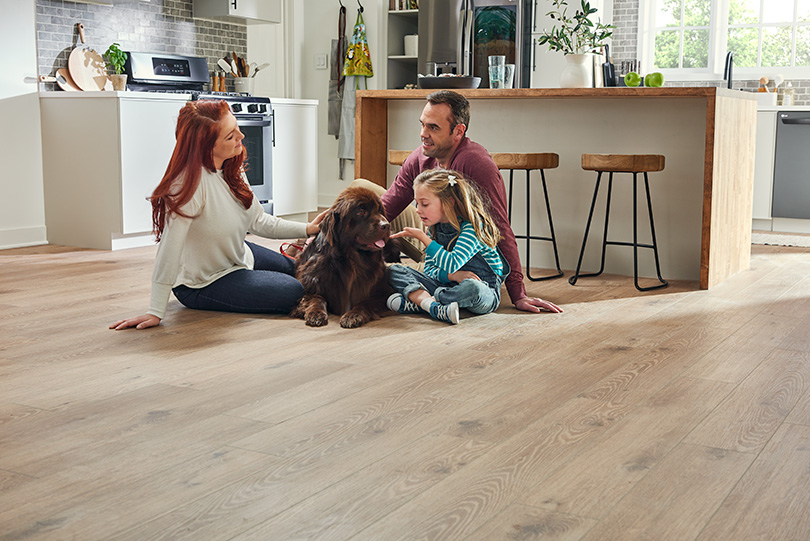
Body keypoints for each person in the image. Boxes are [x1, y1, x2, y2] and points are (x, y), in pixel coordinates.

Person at [110, 100, 325, 330]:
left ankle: (278, 265)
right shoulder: (187, 185)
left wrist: (308, 228)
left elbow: (259, 221)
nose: (241, 137)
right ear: (206, 145)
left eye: (237, 128)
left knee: (305, 270)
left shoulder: (232, 167)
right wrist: (155, 310)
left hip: (237, 255)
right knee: (294, 290)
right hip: (203, 282)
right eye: (230, 136)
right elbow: (169, 249)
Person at [375, 90, 562, 314]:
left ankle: (424, 300)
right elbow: (388, 205)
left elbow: (500, 227)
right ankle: (432, 301)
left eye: (433, 127)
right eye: (422, 124)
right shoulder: (420, 157)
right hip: (438, 260)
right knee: (362, 193)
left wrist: (518, 293)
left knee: (472, 288)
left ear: (458, 131)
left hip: (471, 273)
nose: (423, 133)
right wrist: (334, 221)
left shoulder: (475, 164)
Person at [386, 169, 505, 325]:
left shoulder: (473, 228)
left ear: (449, 202)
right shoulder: (434, 229)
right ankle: (433, 306)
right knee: (393, 271)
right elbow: (429, 270)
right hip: (447, 284)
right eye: (417, 203)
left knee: (473, 287)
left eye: (425, 204)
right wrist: (453, 277)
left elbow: (453, 262)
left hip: (484, 290)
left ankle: (422, 303)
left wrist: (422, 238)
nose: (417, 209)